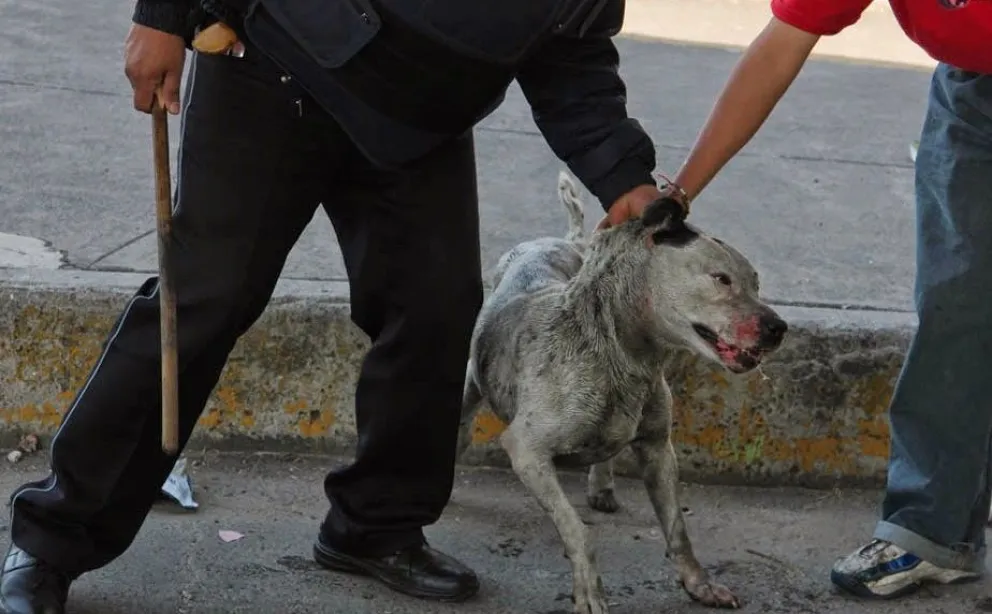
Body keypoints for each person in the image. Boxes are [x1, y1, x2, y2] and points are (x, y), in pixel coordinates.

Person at [0, 0, 682, 612]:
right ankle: (54, 539)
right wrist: (163, 14)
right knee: (205, 300)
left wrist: (625, 179)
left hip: (416, 122)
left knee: (436, 309)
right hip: (273, 58)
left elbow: (570, 54)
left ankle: (375, 525)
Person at [608, 0, 991, 601]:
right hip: (978, 95)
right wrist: (679, 195)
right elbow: (785, 42)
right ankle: (931, 531)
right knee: (957, 309)